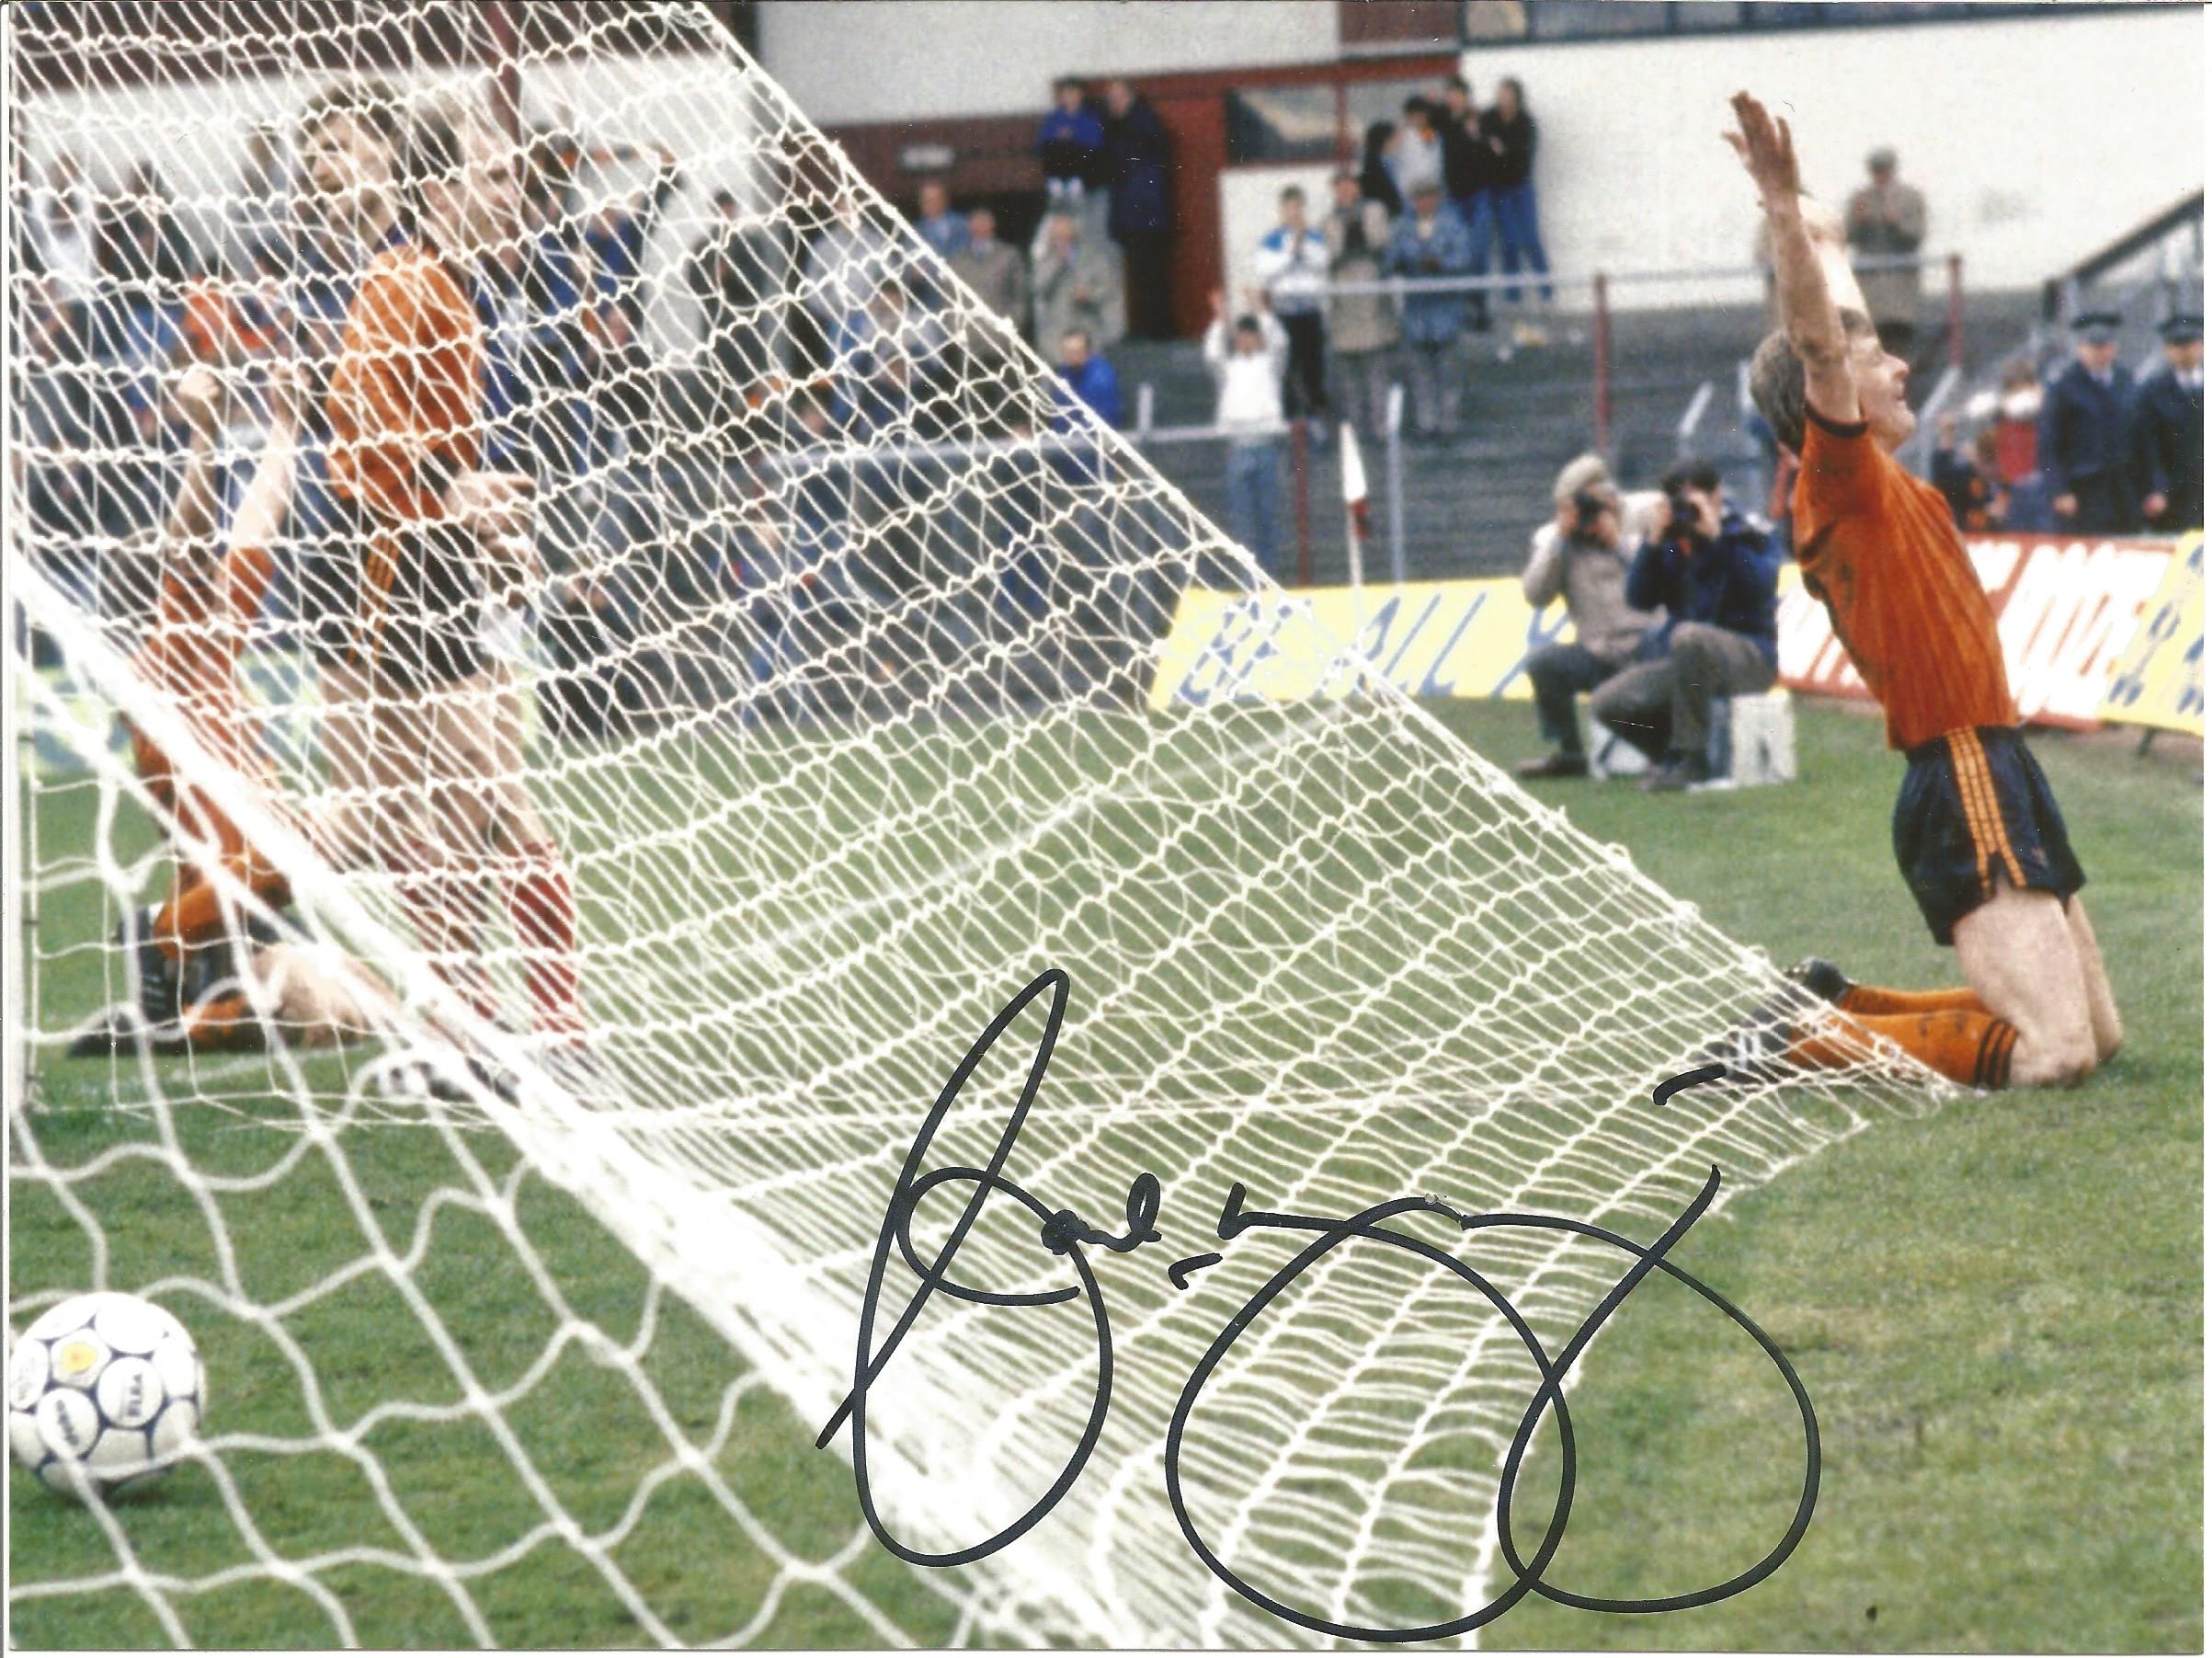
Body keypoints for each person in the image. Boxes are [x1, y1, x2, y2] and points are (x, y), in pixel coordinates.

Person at [1731, 88, 2119, 1090]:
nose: (1899, 365)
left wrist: (1813, 217)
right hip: (1962, 770)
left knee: (2099, 1039)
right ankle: (1801, 1046)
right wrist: (1781, 214)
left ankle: (1840, 1010)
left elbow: (1838, 314)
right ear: (1826, 397)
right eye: (1875, 357)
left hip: (1999, 761)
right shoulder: (1838, 478)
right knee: (2057, 1053)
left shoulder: (1880, 478)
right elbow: (1821, 339)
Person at [326, 97, 586, 1045]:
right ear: (442, 188)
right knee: (440, 799)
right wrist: (455, 490)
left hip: (433, 553)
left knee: (464, 797)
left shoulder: (456, 288)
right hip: (390, 558)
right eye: (496, 174)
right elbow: (358, 405)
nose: (514, 191)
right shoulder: (408, 280)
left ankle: (500, 1024)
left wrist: (487, 527)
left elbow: (417, 433)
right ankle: (490, 1022)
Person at [1589, 458, 1781, 791]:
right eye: (1676, 503)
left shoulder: (1746, 531)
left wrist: (1718, 541)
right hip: (1687, 661)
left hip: (1749, 658)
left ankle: (1693, 759)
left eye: (1690, 502)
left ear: (1716, 495)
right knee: (1609, 702)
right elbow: (1638, 599)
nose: (1684, 512)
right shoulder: (1671, 543)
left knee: (1687, 636)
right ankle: (1671, 759)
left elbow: (1761, 585)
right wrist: (1652, 543)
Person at [1514, 454, 1655, 780]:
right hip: (1598, 652)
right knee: (1543, 663)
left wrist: (1618, 543)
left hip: (1647, 645)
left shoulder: (1642, 516)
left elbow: (1663, 575)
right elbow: (1535, 595)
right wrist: (1559, 541)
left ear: (1608, 495)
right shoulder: (1556, 539)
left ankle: (1668, 749)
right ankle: (1569, 751)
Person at [1203, 289, 1289, 581]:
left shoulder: (1270, 366)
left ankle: (1270, 576)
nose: (1245, 341)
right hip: (1238, 449)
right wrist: (1220, 319)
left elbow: (1280, 343)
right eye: (1240, 336)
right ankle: (1247, 579)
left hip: (1266, 448)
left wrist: (1261, 311)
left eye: (1251, 336)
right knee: (1243, 522)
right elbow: (1212, 354)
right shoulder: (1228, 369)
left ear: (1258, 338)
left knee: (1267, 517)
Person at [1383, 181, 1473, 441]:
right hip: (1417, 312)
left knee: (1448, 372)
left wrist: (1440, 264)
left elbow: (1465, 258)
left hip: (1446, 310)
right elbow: (1388, 263)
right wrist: (1400, 261)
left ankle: (1449, 424)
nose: (1423, 203)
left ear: (1437, 198)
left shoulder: (1452, 225)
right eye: (1418, 198)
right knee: (1420, 373)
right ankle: (1427, 423)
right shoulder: (1402, 227)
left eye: (1428, 197)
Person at [2038, 311, 2139, 535]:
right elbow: (2049, 445)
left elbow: (2141, 437)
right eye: (2093, 347)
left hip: (2123, 488)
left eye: (2105, 346)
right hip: (2084, 490)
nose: (2100, 353)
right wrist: (2059, 490)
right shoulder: (2064, 386)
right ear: (2080, 349)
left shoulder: (2126, 381)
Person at [1323, 171, 1397, 439]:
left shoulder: (1375, 211)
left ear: (1357, 187)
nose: (1344, 191)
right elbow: (1329, 256)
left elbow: (1381, 242)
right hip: (1345, 304)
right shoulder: (1328, 221)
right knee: (1349, 378)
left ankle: (1380, 428)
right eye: (1339, 187)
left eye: (1348, 185)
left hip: (1372, 301)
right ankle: (1356, 429)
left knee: (1377, 373)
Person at [1479, 78, 1551, 347]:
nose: (1502, 100)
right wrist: (1500, 153)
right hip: (1499, 190)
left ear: (1517, 98)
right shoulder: (1489, 119)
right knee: (1509, 242)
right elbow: (1486, 153)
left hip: (1521, 187)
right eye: (1499, 95)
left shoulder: (1526, 123)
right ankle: (1513, 297)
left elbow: (1521, 160)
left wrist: (1502, 152)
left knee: (1530, 238)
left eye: (1507, 95)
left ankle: (1546, 293)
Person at [1101, 78, 1174, 341]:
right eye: (1109, 98)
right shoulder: (1120, 126)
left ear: (1130, 97)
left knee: (1151, 275)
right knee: (1140, 276)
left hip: (1147, 214)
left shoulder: (1141, 124)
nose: (1112, 102)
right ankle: (1147, 327)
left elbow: (1134, 169)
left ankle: (1157, 330)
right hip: (1135, 215)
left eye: (1117, 96)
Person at [1254, 184, 1329, 429]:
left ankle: (1316, 417)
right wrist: (1290, 253)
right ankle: (1288, 418)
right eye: (1289, 207)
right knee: (1286, 366)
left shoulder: (1315, 237)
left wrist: (1302, 247)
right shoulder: (1271, 239)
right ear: (1282, 210)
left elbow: (1322, 264)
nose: (1293, 212)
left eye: (1298, 206)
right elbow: (1265, 269)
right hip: (1284, 313)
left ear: (1303, 208)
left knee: (1312, 366)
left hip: (1309, 311)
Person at [1844, 146, 1926, 361]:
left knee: (1898, 348)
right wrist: (1858, 223)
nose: (1880, 175)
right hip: (1870, 289)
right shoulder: (1860, 199)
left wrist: (1896, 223)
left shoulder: (1910, 197)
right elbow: (1847, 237)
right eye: (1876, 170)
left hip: (1899, 291)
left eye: (1884, 169)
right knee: (1869, 347)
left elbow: (1916, 237)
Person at [2133, 311, 2203, 532]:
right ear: (2166, 350)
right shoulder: (2153, 391)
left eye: (2190, 344)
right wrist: (2156, 489)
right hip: (2174, 494)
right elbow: (2148, 446)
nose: (2185, 352)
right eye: (2177, 345)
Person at [1438, 75, 1497, 335]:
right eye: (1450, 94)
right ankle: (1462, 310)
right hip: (1454, 196)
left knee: (1479, 252)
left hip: (1479, 195)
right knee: (1457, 254)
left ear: (1466, 96)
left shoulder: (1479, 120)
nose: (1454, 99)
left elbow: (1494, 154)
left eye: (1458, 94)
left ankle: (1480, 306)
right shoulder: (1442, 121)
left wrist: (1478, 137)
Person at [1032, 211, 1125, 353]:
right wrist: (1057, 263)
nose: (1061, 237)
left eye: (1065, 232)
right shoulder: (1044, 259)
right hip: (1057, 332)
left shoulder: (1093, 257)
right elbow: (1038, 288)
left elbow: (1107, 287)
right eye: (1057, 234)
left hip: (1088, 327)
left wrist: (1089, 294)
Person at [1037, 77, 1106, 237]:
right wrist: (1060, 138)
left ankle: (1076, 181)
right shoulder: (1054, 118)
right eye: (1066, 94)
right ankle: (1056, 182)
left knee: (1077, 147)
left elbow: (1095, 144)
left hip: (1082, 168)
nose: (1070, 97)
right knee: (1055, 145)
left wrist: (1073, 136)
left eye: (1074, 93)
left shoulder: (1089, 118)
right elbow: (1042, 144)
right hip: (1058, 167)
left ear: (1080, 95)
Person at [950, 206, 1029, 337]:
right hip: (969, 336)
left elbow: (1020, 294)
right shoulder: (957, 260)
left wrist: (1014, 323)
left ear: (992, 225)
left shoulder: (1009, 256)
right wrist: (955, 328)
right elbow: (950, 297)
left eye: (984, 223)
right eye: (976, 223)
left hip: (1000, 334)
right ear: (970, 226)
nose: (980, 227)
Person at [1055, 326, 1123, 429]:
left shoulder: (1101, 377)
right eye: (1066, 351)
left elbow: (1107, 418)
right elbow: (1059, 414)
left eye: (1075, 351)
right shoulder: (1065, 374)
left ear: (1087, 350)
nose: (1070, 356)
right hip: (1068, 436)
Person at [1385, 97, 1443, 207]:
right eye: (1415, 115)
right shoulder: (1402, 134)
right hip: (1409, 193)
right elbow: (1389, 152)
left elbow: (1436, 161)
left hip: (1431, 191)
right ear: (1408, 116)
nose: (1420, 118)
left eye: (1422, 114)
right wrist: (1401, 128)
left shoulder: (1432, 133)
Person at [1357, 120, 1405, 218]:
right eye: (1395, 137)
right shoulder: (1375, 163)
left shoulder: (1388, 160)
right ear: (1386, 140)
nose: (1399, 141)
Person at [913, 177, 967, 262]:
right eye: (926, 200)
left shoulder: (963, 224)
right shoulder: (915, 231)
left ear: (945, 200)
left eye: (935, 199)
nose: (931, 204)